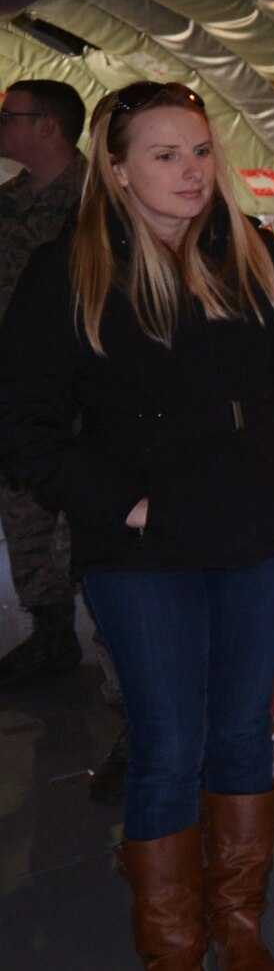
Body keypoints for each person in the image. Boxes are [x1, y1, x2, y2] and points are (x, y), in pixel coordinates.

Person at [0, 81, 274, 971]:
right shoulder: (66, 270)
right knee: (165, 743)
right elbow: (21, 422)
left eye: (200, 151)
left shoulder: (250, 253)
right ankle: (170, 946)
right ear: (116, 171)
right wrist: (121, 502)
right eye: (166, 155)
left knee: (240, 731)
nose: (192, 171)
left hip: (256, 530)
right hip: (140, 542)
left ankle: (237, 929)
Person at [0, 79, 88, 685]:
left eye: (10, 116)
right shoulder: (6, 203)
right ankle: (51, 634)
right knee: (23, 510)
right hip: (18, 391)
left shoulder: (97, 199)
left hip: (81, 394)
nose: (2, 125)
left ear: (48, 126)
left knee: (83, 522)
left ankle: (120, 659)